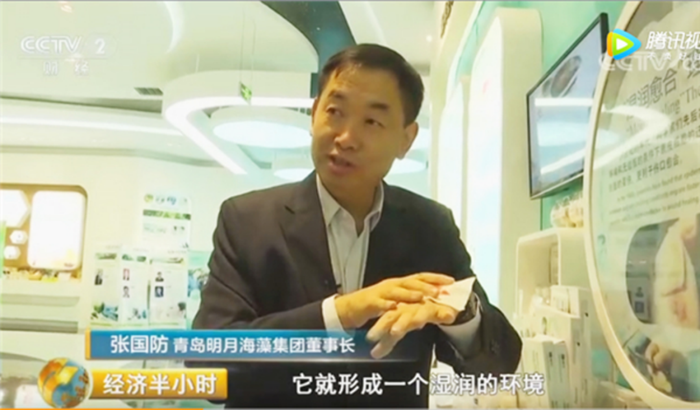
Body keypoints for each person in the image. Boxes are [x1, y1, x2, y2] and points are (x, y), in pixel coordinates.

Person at [192, 44, 521, 408]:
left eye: (372, 121)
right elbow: (208, 365)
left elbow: (498, 367)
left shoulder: (430, 227)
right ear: (314, 114)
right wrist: (340, 313)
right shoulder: (248, 220)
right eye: (335, 112)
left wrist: (463, 315)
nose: (346, 138)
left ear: (406, 139)